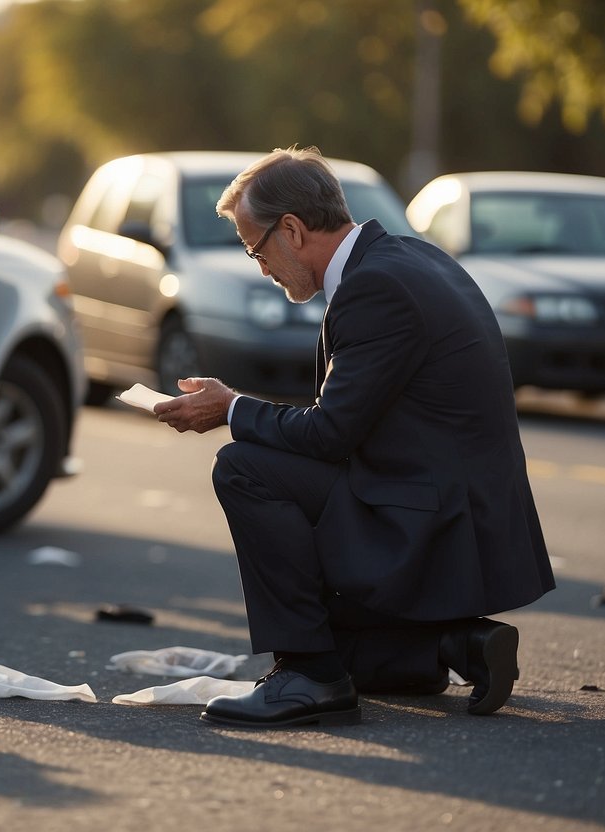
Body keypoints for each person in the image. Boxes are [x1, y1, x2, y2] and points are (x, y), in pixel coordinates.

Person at [153, 146, 555, 728]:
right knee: (338, 641)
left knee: (243, 467)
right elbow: (347, 418)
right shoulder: (410, 259)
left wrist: (231, 408)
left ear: (290, 230)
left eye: (255, 248)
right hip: (456, 506)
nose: (259, 266)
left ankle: (309, 678)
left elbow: (329, 433)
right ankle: (453, 646)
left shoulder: (375, 288)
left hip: (436, 520)